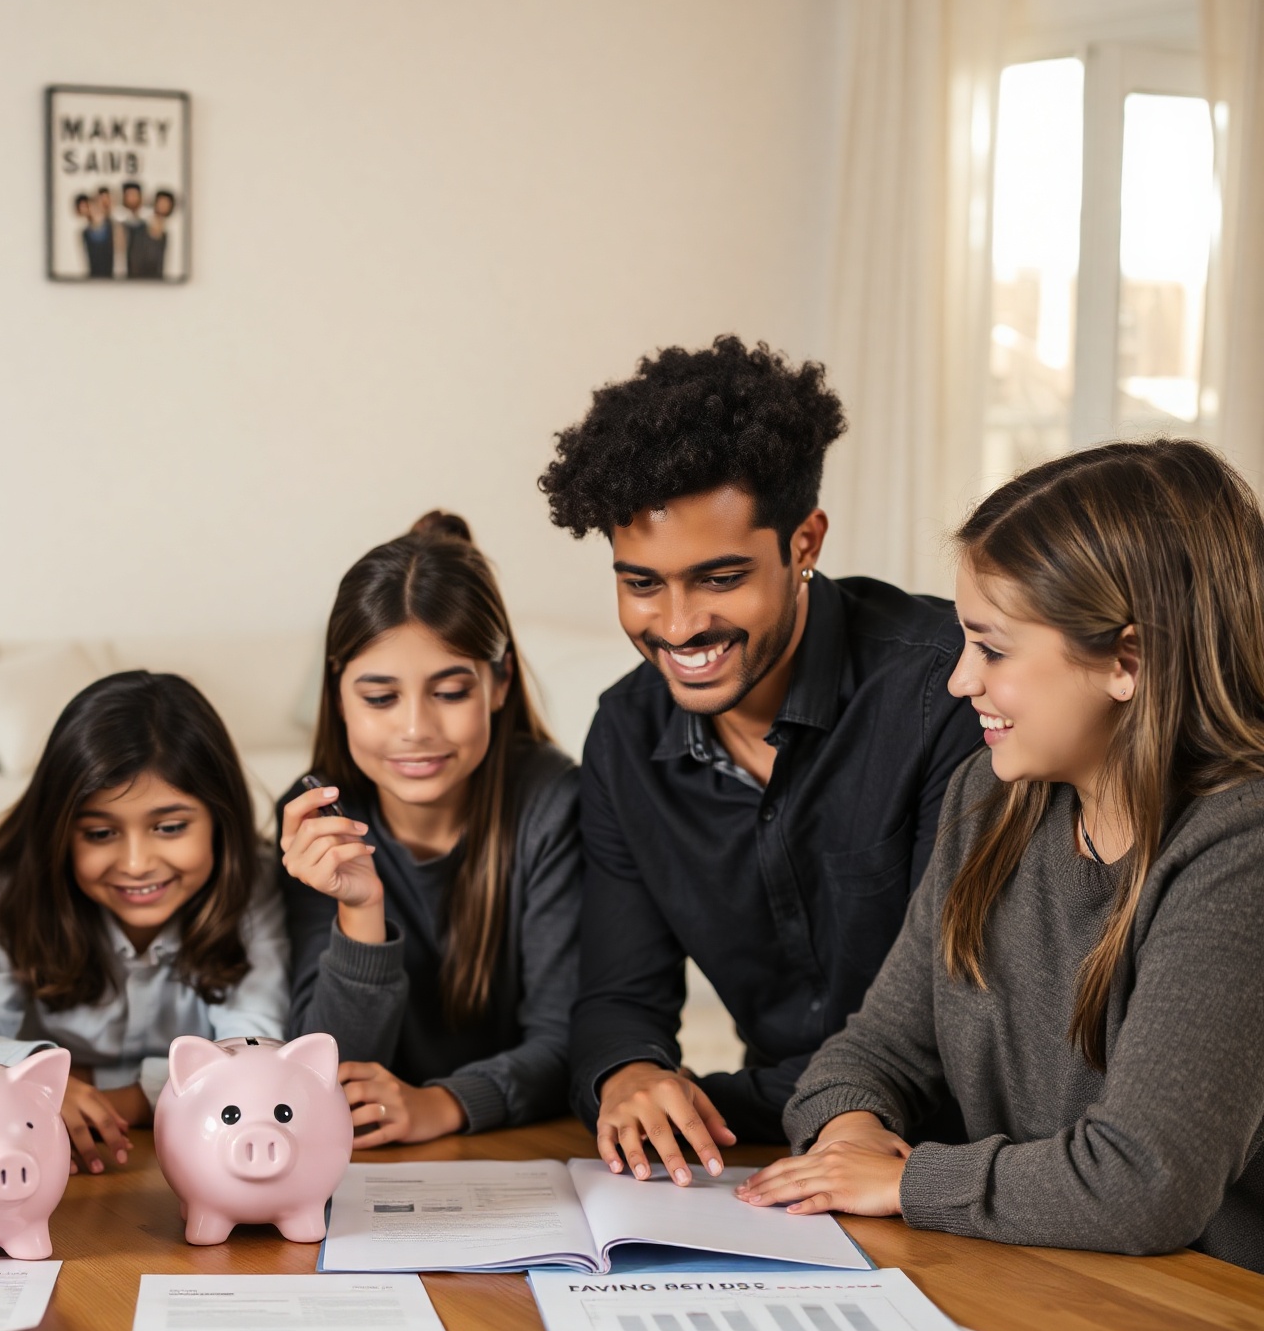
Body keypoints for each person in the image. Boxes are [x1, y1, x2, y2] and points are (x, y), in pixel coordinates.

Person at [740, 441, 1264, 1271]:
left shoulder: (1241, 847)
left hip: (1204, 1318)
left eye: (991, 649)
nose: (960, 682)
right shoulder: (987, 798)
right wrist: (847, 1139)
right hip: (1045, 1281)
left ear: (1126, 661)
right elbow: (872, 1053)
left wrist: (906, 1182)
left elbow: (1145, 1182)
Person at [541, 336, 984, 1181]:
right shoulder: (624, 736)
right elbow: (618, 997)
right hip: (783, 1160)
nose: (678, 626)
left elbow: (947, 1022)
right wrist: (630, 1077)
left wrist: (712, 1104)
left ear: (804, 542)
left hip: (946, 1166)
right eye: (642, 584)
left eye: (720, 579)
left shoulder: (947, 694)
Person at [0, 671, 288, 1173]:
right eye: (101, 833)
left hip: (202, 1157)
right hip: (42, 1157)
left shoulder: (253, 884)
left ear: (221, 820)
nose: (136, 864)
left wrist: (107, 1094)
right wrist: (35, 1073)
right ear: (60, 832)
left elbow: (257, 1055)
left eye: (170, 827)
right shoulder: (19, 888)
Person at [279, 513, 580, 1141]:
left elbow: (568, 1038)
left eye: (449, 692)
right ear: (338, 695)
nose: (416, 729)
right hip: (366, 1157)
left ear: (499, 684)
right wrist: (360, 909)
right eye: (380, 698)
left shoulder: (553, 803)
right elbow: (321, 1072)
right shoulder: (317, 821)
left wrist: (440, 1104)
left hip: (513, 1142)